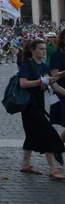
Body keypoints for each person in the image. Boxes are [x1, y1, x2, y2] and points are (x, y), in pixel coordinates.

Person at [17, 38, 65, 179]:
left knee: (31, 136)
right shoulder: (27, 65)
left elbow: (54, 86)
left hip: (39, 104)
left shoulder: (44, 66)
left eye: (44, 48)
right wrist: (39, 81)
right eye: (41, 49)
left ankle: (25, 165)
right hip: (29, 106)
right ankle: (53, 169)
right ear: (33, 50)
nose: (44, 51)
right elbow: (23, 83)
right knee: (48, 134)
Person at [49, 30, 65, 165]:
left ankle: (57, 147)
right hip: (62, 91)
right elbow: (55, 75)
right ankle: (57, 147)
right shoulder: (56, 55)